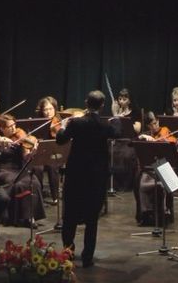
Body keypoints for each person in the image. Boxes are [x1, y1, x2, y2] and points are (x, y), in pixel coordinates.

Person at [56, 90, 120, 268]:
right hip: (96, 178)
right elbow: (117, 132)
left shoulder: (75, 122)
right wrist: (116, 116)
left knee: (70, 217)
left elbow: (60, 139)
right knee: (92, 219)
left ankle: (68, 253)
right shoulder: (104, 125)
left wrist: (62, 125)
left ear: (86, 102)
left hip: (76, 175)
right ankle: (87, 257)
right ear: (102, 105)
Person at [0, 114, 46, 228]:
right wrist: (1, 141)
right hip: (3, 170)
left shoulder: (20, 138)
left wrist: (32, 153)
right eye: (9, 126)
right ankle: (17, 217)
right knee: (19, 184)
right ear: (1, 128)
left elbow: (26, 157)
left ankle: (30, 216)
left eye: (14, 125)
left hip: (18, 168)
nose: (13, 128)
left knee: (33, 181)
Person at [136, 112, 178, 226]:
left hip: (164, 167)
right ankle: (147, 214)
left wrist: (164, 142)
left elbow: (174, 141)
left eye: (156, 123)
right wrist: (143, 137)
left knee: (166, 183)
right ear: (148, 126)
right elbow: (137, 139)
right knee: (141, 183)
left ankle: (165, 213)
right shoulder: (146, 134)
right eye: (152, 124)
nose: (155, 126)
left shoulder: (165, 130)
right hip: (150, 170)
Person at [110, 88, 141, 191]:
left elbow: (138, 129)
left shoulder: (135, 112)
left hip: (129, 141)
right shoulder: (116, 112)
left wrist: (124, 120)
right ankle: (112, 185)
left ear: (129, 101)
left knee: (126, 155)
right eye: (120, 99)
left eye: (124, 99)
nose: (121, 101)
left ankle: (125, 185)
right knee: (110, 153)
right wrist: (115, 116)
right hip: (118, 141)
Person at [33, 96, 62, 203]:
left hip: (53, 152)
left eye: (51, 109)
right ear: (41, 111)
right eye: (45, 109)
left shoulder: (58, 122)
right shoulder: (38, 122)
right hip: (40, 152)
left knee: (52, 167)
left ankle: (55, 196)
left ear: (55, 109)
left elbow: (61, 140)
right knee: (38, 168)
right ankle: (39, 195)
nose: (48, 112)